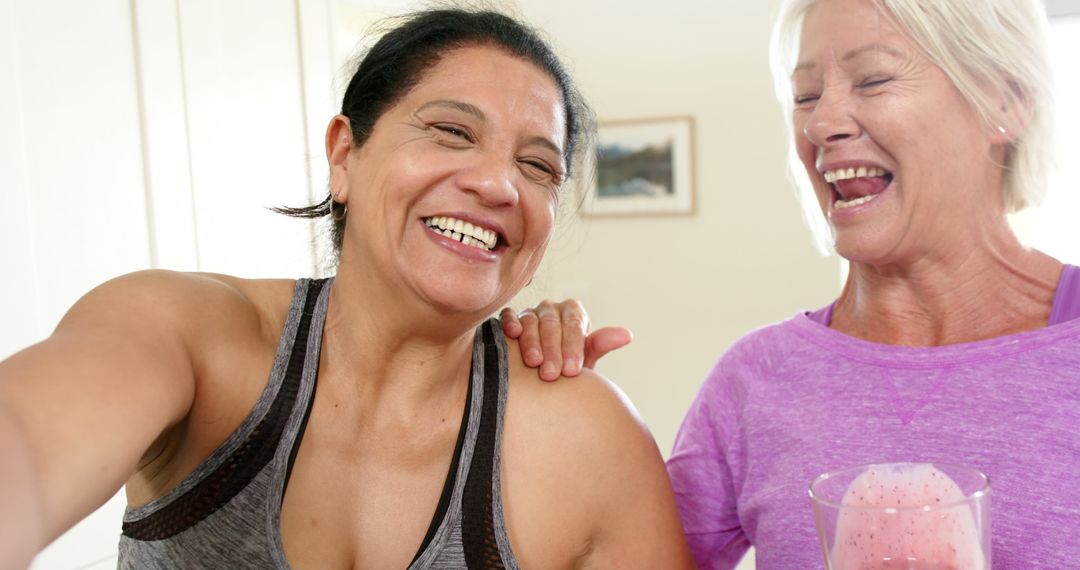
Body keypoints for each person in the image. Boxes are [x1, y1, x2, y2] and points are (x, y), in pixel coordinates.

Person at [0, 8, 694, 569]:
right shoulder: (186, 331)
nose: (497, 184)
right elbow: (26, 443)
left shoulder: (588, 436)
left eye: (537, 166)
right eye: (452, 131)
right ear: (344, 156)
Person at [505, 0, 1080, 567]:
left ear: (1007, 101)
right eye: (805, 96)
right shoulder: (754, 379)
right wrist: (552, 413)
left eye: (873, 79)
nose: (821, 123)